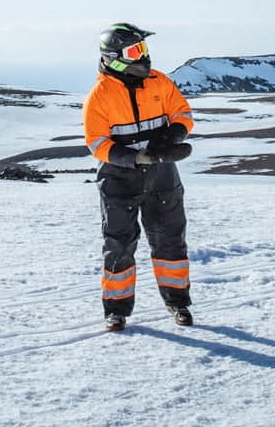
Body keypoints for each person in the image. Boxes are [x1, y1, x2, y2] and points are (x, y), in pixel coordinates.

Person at [83, 23, 196, 332]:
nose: (143, 56)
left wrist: (172, 137)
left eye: (142, 49)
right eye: (135, 51)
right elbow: (97, 143)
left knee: (171, 241)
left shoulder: (159, 81)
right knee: (119, 245)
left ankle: (179, 303)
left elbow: (183, 113)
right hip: (119, 178)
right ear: (115, 57)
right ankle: (116, 311)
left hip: (162, 174)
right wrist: (132, 158)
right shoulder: (99, 96)